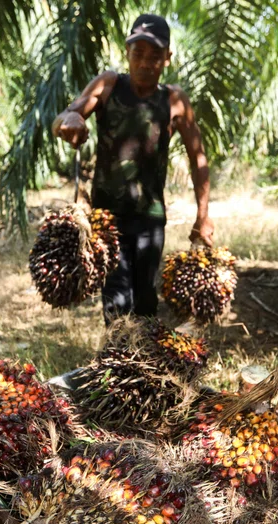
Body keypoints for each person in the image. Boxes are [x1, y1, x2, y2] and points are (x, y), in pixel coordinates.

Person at [51, 13, 213, 324]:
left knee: (145, 302)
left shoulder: (175, 100)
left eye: (154, 55)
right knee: (116, 301)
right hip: (106, 219)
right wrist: (70, 121)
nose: (145, 62)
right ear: (127, 51)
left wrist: (203, 216)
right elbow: (64, 118)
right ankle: (118, 363)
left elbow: (198, 158)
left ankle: (143, 367)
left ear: (167, 58)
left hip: (149, 220)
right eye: (138, 53)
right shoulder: (108, 84)